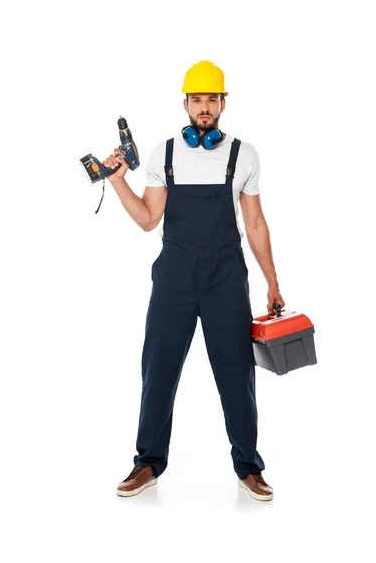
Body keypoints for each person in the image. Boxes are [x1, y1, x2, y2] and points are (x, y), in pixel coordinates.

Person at [102, 60, 285, 501]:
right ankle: (148, 462)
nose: (205, 108)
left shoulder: (244, 154)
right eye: (197, 99)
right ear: (185, 103)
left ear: (224, 103)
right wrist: (116, 181)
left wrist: (272, 283)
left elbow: (255, 223)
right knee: (158, 369)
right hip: (174, 280)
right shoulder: (164, 154)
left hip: (226, 277)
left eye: (212, 100)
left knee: (236, 374)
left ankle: (248, 467)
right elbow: (148, 219)